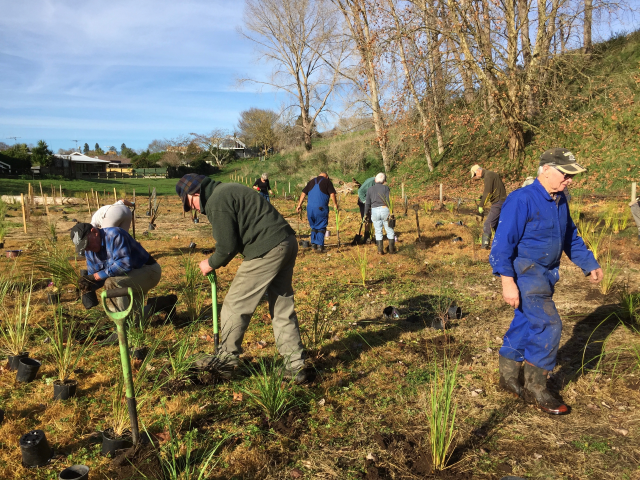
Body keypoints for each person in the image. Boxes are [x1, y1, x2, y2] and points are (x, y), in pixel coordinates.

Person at [490, 148, 603, 415]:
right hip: (526, 273)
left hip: (547, 274)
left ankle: (507, 377)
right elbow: (501, 245)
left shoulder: (560, 199)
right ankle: (536, 386)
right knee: (549, 324)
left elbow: (569, 236)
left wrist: (589, 263)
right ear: (546, 170)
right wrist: (507, 282)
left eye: (572, 175)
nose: (570, 180)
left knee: (526, 321)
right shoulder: (521, 199)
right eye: (566, 174)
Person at [175, 174, 312, 384]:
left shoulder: (216, 200)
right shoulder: (228, 189)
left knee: (235, 304)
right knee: (282, 306)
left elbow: (226, 246)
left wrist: (210, 263)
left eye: (189, 203)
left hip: (267, 248)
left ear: (195, 193)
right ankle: (295, 365)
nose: (193, 208)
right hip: (286, 241)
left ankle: (226, 361)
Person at [71, 223, 176, 317]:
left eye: (87, 244)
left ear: (94, 232)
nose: (87, 249)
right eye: (84, 248)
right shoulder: (89, 252)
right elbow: (97, 277)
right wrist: (88, 285)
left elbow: (124, 265)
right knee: (135, 319)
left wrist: (94, 277)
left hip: (148, 271)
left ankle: (119, 323)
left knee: (111, 282)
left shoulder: (114, 234)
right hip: (127, 279)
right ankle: (164, 303)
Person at [296, 172, 339, 253]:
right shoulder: (327, 182)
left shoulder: (311, 181)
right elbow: (332, 194)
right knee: (321, 226)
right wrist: (335, 204)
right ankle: (320, 247)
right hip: (320, 208)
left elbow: (303, 193)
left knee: (314, 226)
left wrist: (299, 205)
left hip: (310, 209)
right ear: (327, 176)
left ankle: (314, 245)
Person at [470, 164, 507, 249]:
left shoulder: (488, 176)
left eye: (475, 175)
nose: (476, 177)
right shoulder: (490, 174)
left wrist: (481, 205)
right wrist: (482, 198)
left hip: (498, 202)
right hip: (501, 201)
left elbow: (488, 192)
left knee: (488, 224)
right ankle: (502, 244)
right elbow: (492, 190)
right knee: (497, 224)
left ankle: (485, 246)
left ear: (478, 171)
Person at [364, 173, 395, 255]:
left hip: (374, 210)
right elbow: (389, 201)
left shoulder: (370, 189)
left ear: (375, 180)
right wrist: (391, 212)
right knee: (390, 230)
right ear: (384, 181)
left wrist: (365, 214)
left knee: (378, 231)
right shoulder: (386, 188)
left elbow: (367, 203)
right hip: (385, 209)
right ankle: (391, 250)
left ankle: (380, 251)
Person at [357, 176, 375, 243]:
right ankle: (366, 237)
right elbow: (360, 191)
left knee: (371, 218)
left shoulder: (377, 182)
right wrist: (365, 202)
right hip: (363, 200)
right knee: (366, 217)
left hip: (369, 201)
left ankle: (370, 236)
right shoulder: (371, 182)